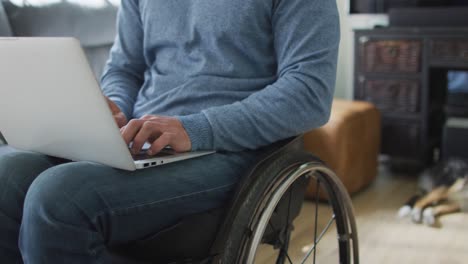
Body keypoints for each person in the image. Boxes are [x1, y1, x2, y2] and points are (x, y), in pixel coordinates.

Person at [0, 0, 340, 263]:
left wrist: (196, 129)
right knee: (7, 175)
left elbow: (309, 92)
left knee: (59, 197)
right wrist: (114, 109)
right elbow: (124, 67)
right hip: (143, 139)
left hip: (234, 150)